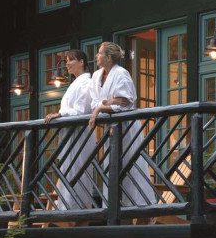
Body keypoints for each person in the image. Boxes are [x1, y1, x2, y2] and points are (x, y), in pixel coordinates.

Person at [88, 42, 155, 208]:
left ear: (109, 57)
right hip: (111, 129)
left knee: (130, 164)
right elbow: (94, 101)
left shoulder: (121, 74)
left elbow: (124, 101)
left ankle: (140, 206)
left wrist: (102, 106)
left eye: (100, 53)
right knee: (112, 167)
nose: (97, 56)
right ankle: (115, 206)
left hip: (126, 127)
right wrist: (105, 104)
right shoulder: (96, 76)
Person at [43, 49, 95, 211]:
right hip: (70, 133)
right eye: (66, 60)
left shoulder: (86, 82)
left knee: (78, 168)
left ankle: (78, 209)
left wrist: (60, 113)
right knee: (68, 168)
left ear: (81, 62)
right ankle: (67, 207)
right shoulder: (76, 83)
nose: (67, 63)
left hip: (79, 134)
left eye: (71, 60)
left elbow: (81, 110)